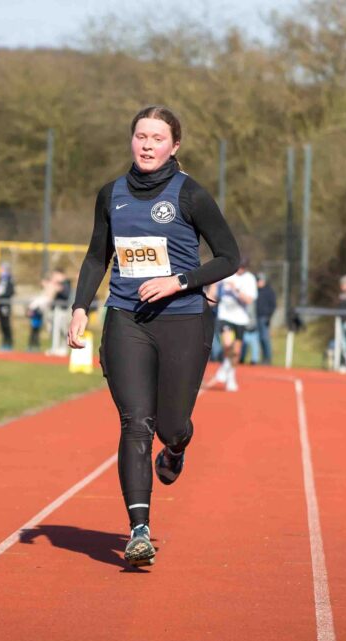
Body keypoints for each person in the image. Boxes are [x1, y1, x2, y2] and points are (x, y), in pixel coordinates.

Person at [67, 105, 239, 567]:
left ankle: (177, 448)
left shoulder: (190, 194)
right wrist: (80, 306)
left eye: (157, 138)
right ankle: (139, 530)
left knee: (170, 426)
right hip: (126, 319)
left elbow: (229, 257)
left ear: (174, 146)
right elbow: (96, 256)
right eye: (140, 136)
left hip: (183, 319)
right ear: (131, 140)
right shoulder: (111, 194)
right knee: (135, 422)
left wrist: (179, 281)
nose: (147, 145)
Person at [215, 258, 257, 391]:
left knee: (237, 351)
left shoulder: (249, 279)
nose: (240, 269)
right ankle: (226, 365)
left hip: (241, 318)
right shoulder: (227, 274)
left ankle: (230, 374)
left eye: (243, 267)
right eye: (239, 266)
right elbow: (214, 287)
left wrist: (236, 289)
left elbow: (249, 300)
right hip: (225, 315)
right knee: (228, 344)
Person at [255, 272, 276, 365]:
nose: (258, 282)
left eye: (259, 280)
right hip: (256, 317)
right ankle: (262, 358)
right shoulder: (256, 290)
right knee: (259, 338)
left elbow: (273, 305)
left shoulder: (269, 291)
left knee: (265, 338)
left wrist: (269, 316)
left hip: (264, 317)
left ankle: (267, 358)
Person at [0, 263, 16, 350]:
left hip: (5, 304)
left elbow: (10, 292)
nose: (0, 270)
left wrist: (1, 296)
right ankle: (4, 342)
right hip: (0, 304)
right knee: (2, 324)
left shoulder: (9, 278)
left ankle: (9, 343)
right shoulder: (1, 278)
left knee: (6, 324)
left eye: (2, 269)